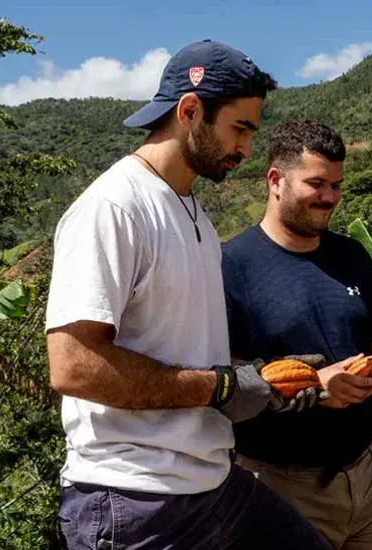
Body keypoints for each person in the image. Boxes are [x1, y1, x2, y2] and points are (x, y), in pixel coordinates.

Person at [44, 40, 331, 550]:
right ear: (190, 111)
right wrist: (222, 388)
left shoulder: (191, 212)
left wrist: (260, 385)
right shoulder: (114, 208)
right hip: (134, 499)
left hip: (212, 482)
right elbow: (72, 366)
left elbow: (186, 354)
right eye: (239, 128)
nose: (245, 149)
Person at [220, 119, 372, 549]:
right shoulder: (232, 266)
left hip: (371, 474)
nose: (330, 198)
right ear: (275, 180)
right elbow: (223, 374)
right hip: (280, 486)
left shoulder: (352, 255)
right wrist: (312, 385)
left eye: (337, 185)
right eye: (317, 183)